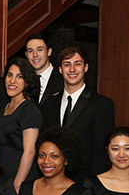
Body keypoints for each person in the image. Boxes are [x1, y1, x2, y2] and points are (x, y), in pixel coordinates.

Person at [40, 46, 115, 180]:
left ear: (85, 67)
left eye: (77, 64)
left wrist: (94, 188)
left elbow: (101, 152)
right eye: (67, 64)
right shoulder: (49, 104)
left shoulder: (101, 104)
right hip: (53, 181)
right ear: (60, 69)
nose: (72, 69)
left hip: (85, 183)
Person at [0, 57, 42, 191]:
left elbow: (30, 150)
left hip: (22, 177)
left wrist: (17, 183)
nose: (12, 80)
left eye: (19, 77)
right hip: (3, 174)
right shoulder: (5, 107)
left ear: (27, 82)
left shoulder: (29, 110)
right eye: (9, 75)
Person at [24, 34, 63, 107]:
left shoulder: (63, 79)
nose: (35, 55)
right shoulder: (23, 80)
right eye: (30, 51)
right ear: (26, 55)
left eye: (39, 50)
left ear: (49, 52)